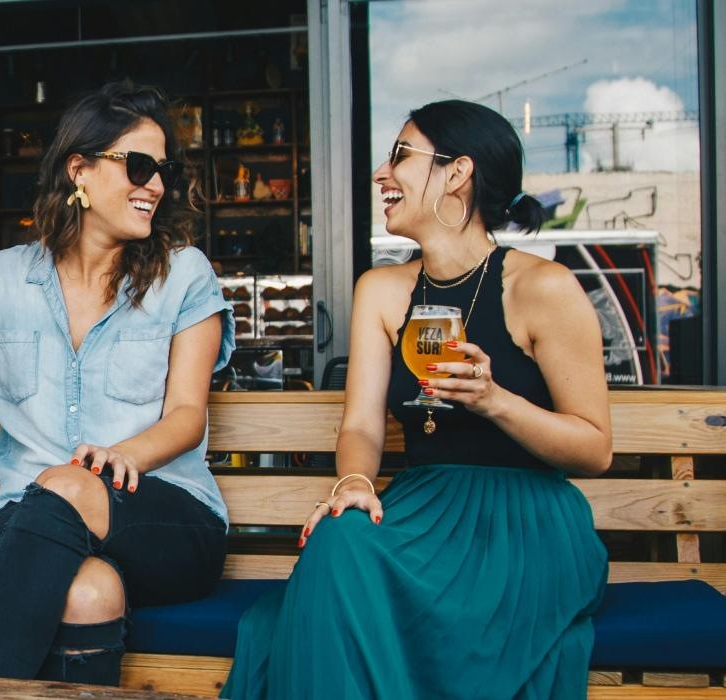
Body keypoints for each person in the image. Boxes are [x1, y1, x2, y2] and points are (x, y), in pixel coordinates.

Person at [223, 100, 611, 699]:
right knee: (339, 538)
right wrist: (353, 481)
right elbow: (362, 426)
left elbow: (594, 449)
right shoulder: (381, 291)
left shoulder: (543, 288)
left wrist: (495, 401)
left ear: (457, 173)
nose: (382, 174)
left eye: (401, 155)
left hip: (524, 525)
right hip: (423, 508)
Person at [0, 81, 235, 685]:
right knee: (88, 593)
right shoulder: (0, 279)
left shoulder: (184, 274)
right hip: (27, 525)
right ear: (78, 170)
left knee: (72, 485)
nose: (154, 184)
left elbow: (189, 416)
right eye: (137, 166)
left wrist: (117, 457)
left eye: (163, 170)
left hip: (162, 517)